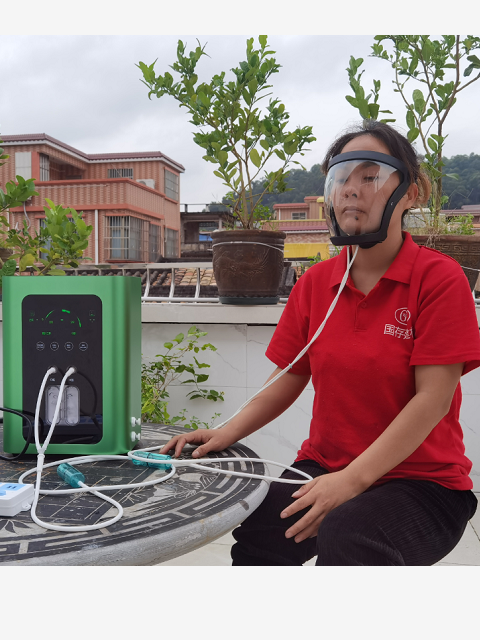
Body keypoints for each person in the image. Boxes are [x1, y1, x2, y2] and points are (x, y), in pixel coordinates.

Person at [160, 120, 480, 566]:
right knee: (262, 529)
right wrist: (225, 431)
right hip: (326, 464)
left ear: (411, 192)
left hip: (423, 481)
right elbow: (289, 376)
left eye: (370, 176)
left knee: (349, 535)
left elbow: (433, 400)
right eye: (342, 177)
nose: (351, 189)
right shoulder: (315, 284)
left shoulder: (439, 279)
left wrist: (351, 482)